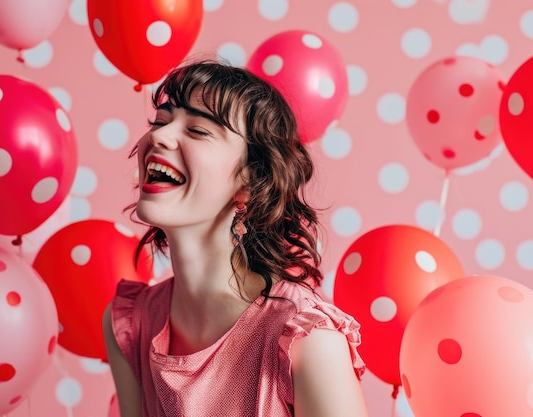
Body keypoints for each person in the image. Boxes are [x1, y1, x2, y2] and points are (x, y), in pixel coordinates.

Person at [102, 59, 369, 417]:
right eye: (161, 121)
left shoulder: (308, 343)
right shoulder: (129, 324)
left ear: (249, 185)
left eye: (198, 130)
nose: (159, 136)